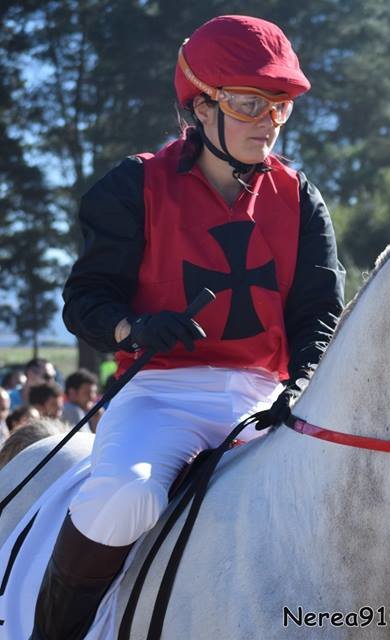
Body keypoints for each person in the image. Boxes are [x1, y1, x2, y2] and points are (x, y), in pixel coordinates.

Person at [32, 15, 345, 640]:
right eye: (251, 103)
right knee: (125, 499)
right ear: (201, 106)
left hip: (265, 400)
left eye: (280, 105)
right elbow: (86, 301)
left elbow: (320, 311)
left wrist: (305, 381)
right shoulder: (131, 185)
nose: (269, 121)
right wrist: (134, 329)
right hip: (159, 396)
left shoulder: (301, 196)